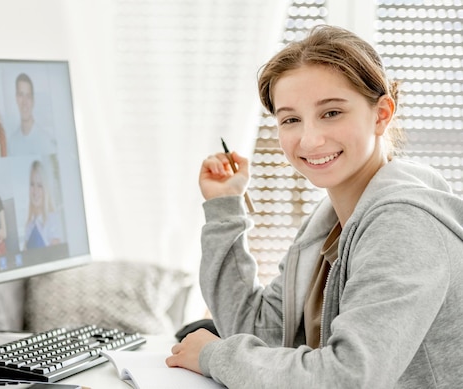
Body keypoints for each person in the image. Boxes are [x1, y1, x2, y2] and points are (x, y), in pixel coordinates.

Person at [166, 25, 463, 388]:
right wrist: (225, 207)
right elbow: (260, 330)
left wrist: (213, 355)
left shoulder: (404, 225)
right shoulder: (327, 226)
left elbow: (347, 377)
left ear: (382, 114)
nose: (309, 139)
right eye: (291, 119)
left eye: (332, 113)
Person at [8, 73, 57, 157]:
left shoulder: (46, 141)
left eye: (28, 96)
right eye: (21, 95)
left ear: (33, 100)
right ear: (16, 98)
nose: (24, 102)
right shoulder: (11, 143)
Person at [23, 160, 62, 250]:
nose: (35, 191)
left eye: (39, 185)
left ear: (46, 189)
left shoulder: (53, 220)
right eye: (32, 184)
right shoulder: (29, 224)